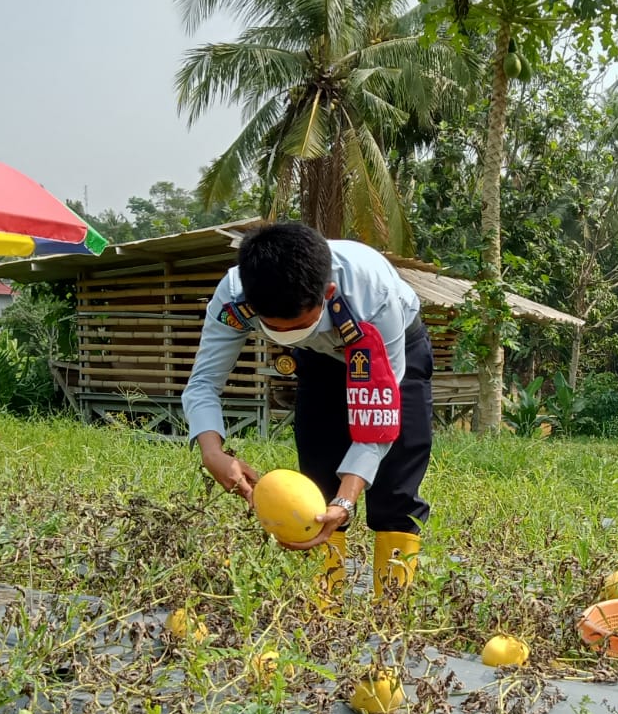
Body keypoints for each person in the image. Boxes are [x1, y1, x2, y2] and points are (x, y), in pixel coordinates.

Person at [182, 222, 433, 601]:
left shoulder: (372, 291)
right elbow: (203, 382)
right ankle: (324, 607)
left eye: (300, 325)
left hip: (391, 353)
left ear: (328, 293)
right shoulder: (234, 297)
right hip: (319, 362)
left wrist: (347, 499)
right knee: (317, 482)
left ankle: (392, 611)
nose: (288, 334)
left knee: (395, 488)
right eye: (274, 328)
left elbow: (379, 417)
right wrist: (212, 452)